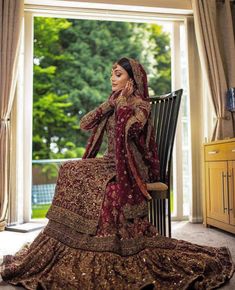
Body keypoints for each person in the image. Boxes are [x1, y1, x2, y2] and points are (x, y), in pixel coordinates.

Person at [0, 57, 234, 289]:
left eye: (118, 74)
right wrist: (111, 104)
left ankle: (101, 241)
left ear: (131, 80)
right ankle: (72, 239)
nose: (112, 78)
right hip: (111, 161)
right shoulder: (113, 101)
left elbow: (131, 131)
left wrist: (122, 107)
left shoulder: (141, 106)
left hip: (133, 166)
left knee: (106, 187)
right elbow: (85, 123)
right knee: (70, 169)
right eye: (112, 73)